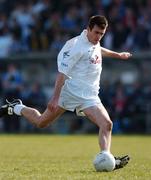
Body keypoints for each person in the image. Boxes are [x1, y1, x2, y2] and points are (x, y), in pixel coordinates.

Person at [0, 15, 130, 170]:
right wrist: (55, 99)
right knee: (41, 122)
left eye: (102, 34)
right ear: (88, 28)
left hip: (89, 97)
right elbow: (62, 74)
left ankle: (107, 158)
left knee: (107, 124)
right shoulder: (75, 46)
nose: (98, 37)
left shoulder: (93, 41)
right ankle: (16, 108)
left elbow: (97, 49)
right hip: (68, 93)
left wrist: (118, 55)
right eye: (96, 33)